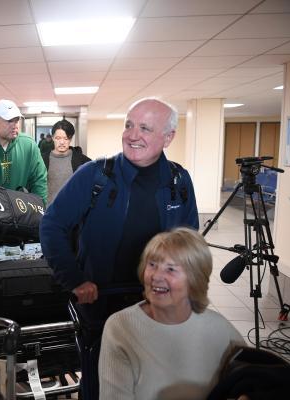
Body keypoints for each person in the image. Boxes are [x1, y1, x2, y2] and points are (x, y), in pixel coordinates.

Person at [40, 97, 199, 399]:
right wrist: (74, 279)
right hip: (102, 307)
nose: (132, 134)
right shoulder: (95, 176)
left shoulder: (179, 181)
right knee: (103, 385)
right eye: (129, 125)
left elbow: (189, 242)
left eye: (145, 128)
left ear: (168, 137)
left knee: (152, 384)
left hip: (158, 307)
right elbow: (52, 226)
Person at [98, 227, 244, 400]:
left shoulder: (220, 329)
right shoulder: (121, 328)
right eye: (152, 265)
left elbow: (255, 377)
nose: (156, 276)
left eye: (171, 269)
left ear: (194, 279)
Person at [42, 119, 91, 204]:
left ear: (70, 139)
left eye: (66, 138)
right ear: (53, 137)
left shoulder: (82, 161)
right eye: (58, 138)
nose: (62, 142)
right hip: (48, 213)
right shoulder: (42, 160)